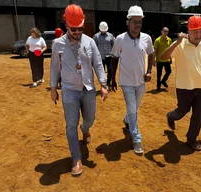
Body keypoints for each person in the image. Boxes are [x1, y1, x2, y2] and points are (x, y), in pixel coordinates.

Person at [50, 4, 108, 176]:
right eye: (74, 29)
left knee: (90, 119)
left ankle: (86, 129)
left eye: (80, 28)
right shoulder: (57, 44)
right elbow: (54, 68)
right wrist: (53, 88)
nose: (77, 32)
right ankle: (76, 158)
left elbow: (98, 64)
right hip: (69, 90)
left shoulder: (90, 42)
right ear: (66, 25)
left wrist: (103, 85)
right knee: (70, 126)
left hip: (88, 88)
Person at [161, 15, 201, 151]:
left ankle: (191, 138)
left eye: (200, 31)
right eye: (194, 31)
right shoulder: (180, 44)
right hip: (184, 87)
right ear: (188, 31)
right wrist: (176, 42)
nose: (198, 34)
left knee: (198, 115)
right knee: (182, 111)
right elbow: (163, 56)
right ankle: (171, 116)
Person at [110, 5, 154, 154]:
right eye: (135, 21)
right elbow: (114, 58)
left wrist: (149, 71)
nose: (138, 25)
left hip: (141, 82)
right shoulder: (120, 39)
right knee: (132, 109)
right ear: (128, 22)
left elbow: (151, 53)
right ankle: (136, 139)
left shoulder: (147, 39)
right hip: (126, 82)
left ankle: (127, 120)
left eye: (140, 22)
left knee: (134, 109)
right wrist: (112, 79)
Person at [93, 22, 115, 88]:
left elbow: (114, 45)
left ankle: (108, 82)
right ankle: (103, 84)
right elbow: (94, 47)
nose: (104, 31)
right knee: (101, 72)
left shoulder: (110, 36)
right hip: (100, 57)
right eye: (102, 30)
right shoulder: (96, 36)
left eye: (105, 30)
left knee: (110, 70)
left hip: (109, 56)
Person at [153, 27, 172, 91]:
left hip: (166, 60)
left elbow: (169, 50)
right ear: (161, 32)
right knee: (159, 74)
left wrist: (170, 58)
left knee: (169, 71)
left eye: (167, 31)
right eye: (165, 31)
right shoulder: (157, 40)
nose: (166, 33)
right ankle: (158, 86)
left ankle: (163, 81)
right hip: (159, 60)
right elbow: (155, 51)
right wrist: (153, 59)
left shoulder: (169, 40)